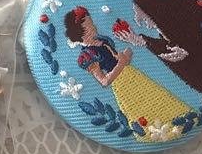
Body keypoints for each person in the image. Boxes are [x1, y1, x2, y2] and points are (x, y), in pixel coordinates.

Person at [64, 7, 189, 136]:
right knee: (142, 108)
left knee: (157, 98)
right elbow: (104, 81)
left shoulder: (103, 41)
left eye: (92, 23)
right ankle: (155, 132)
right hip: (122, 85)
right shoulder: (88, 55)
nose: (93, 27)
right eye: (88, 26)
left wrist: (125, 57)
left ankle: (179, 122)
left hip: (133, 75)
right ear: (79, 31)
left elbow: (118, 59)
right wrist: (122, 62)